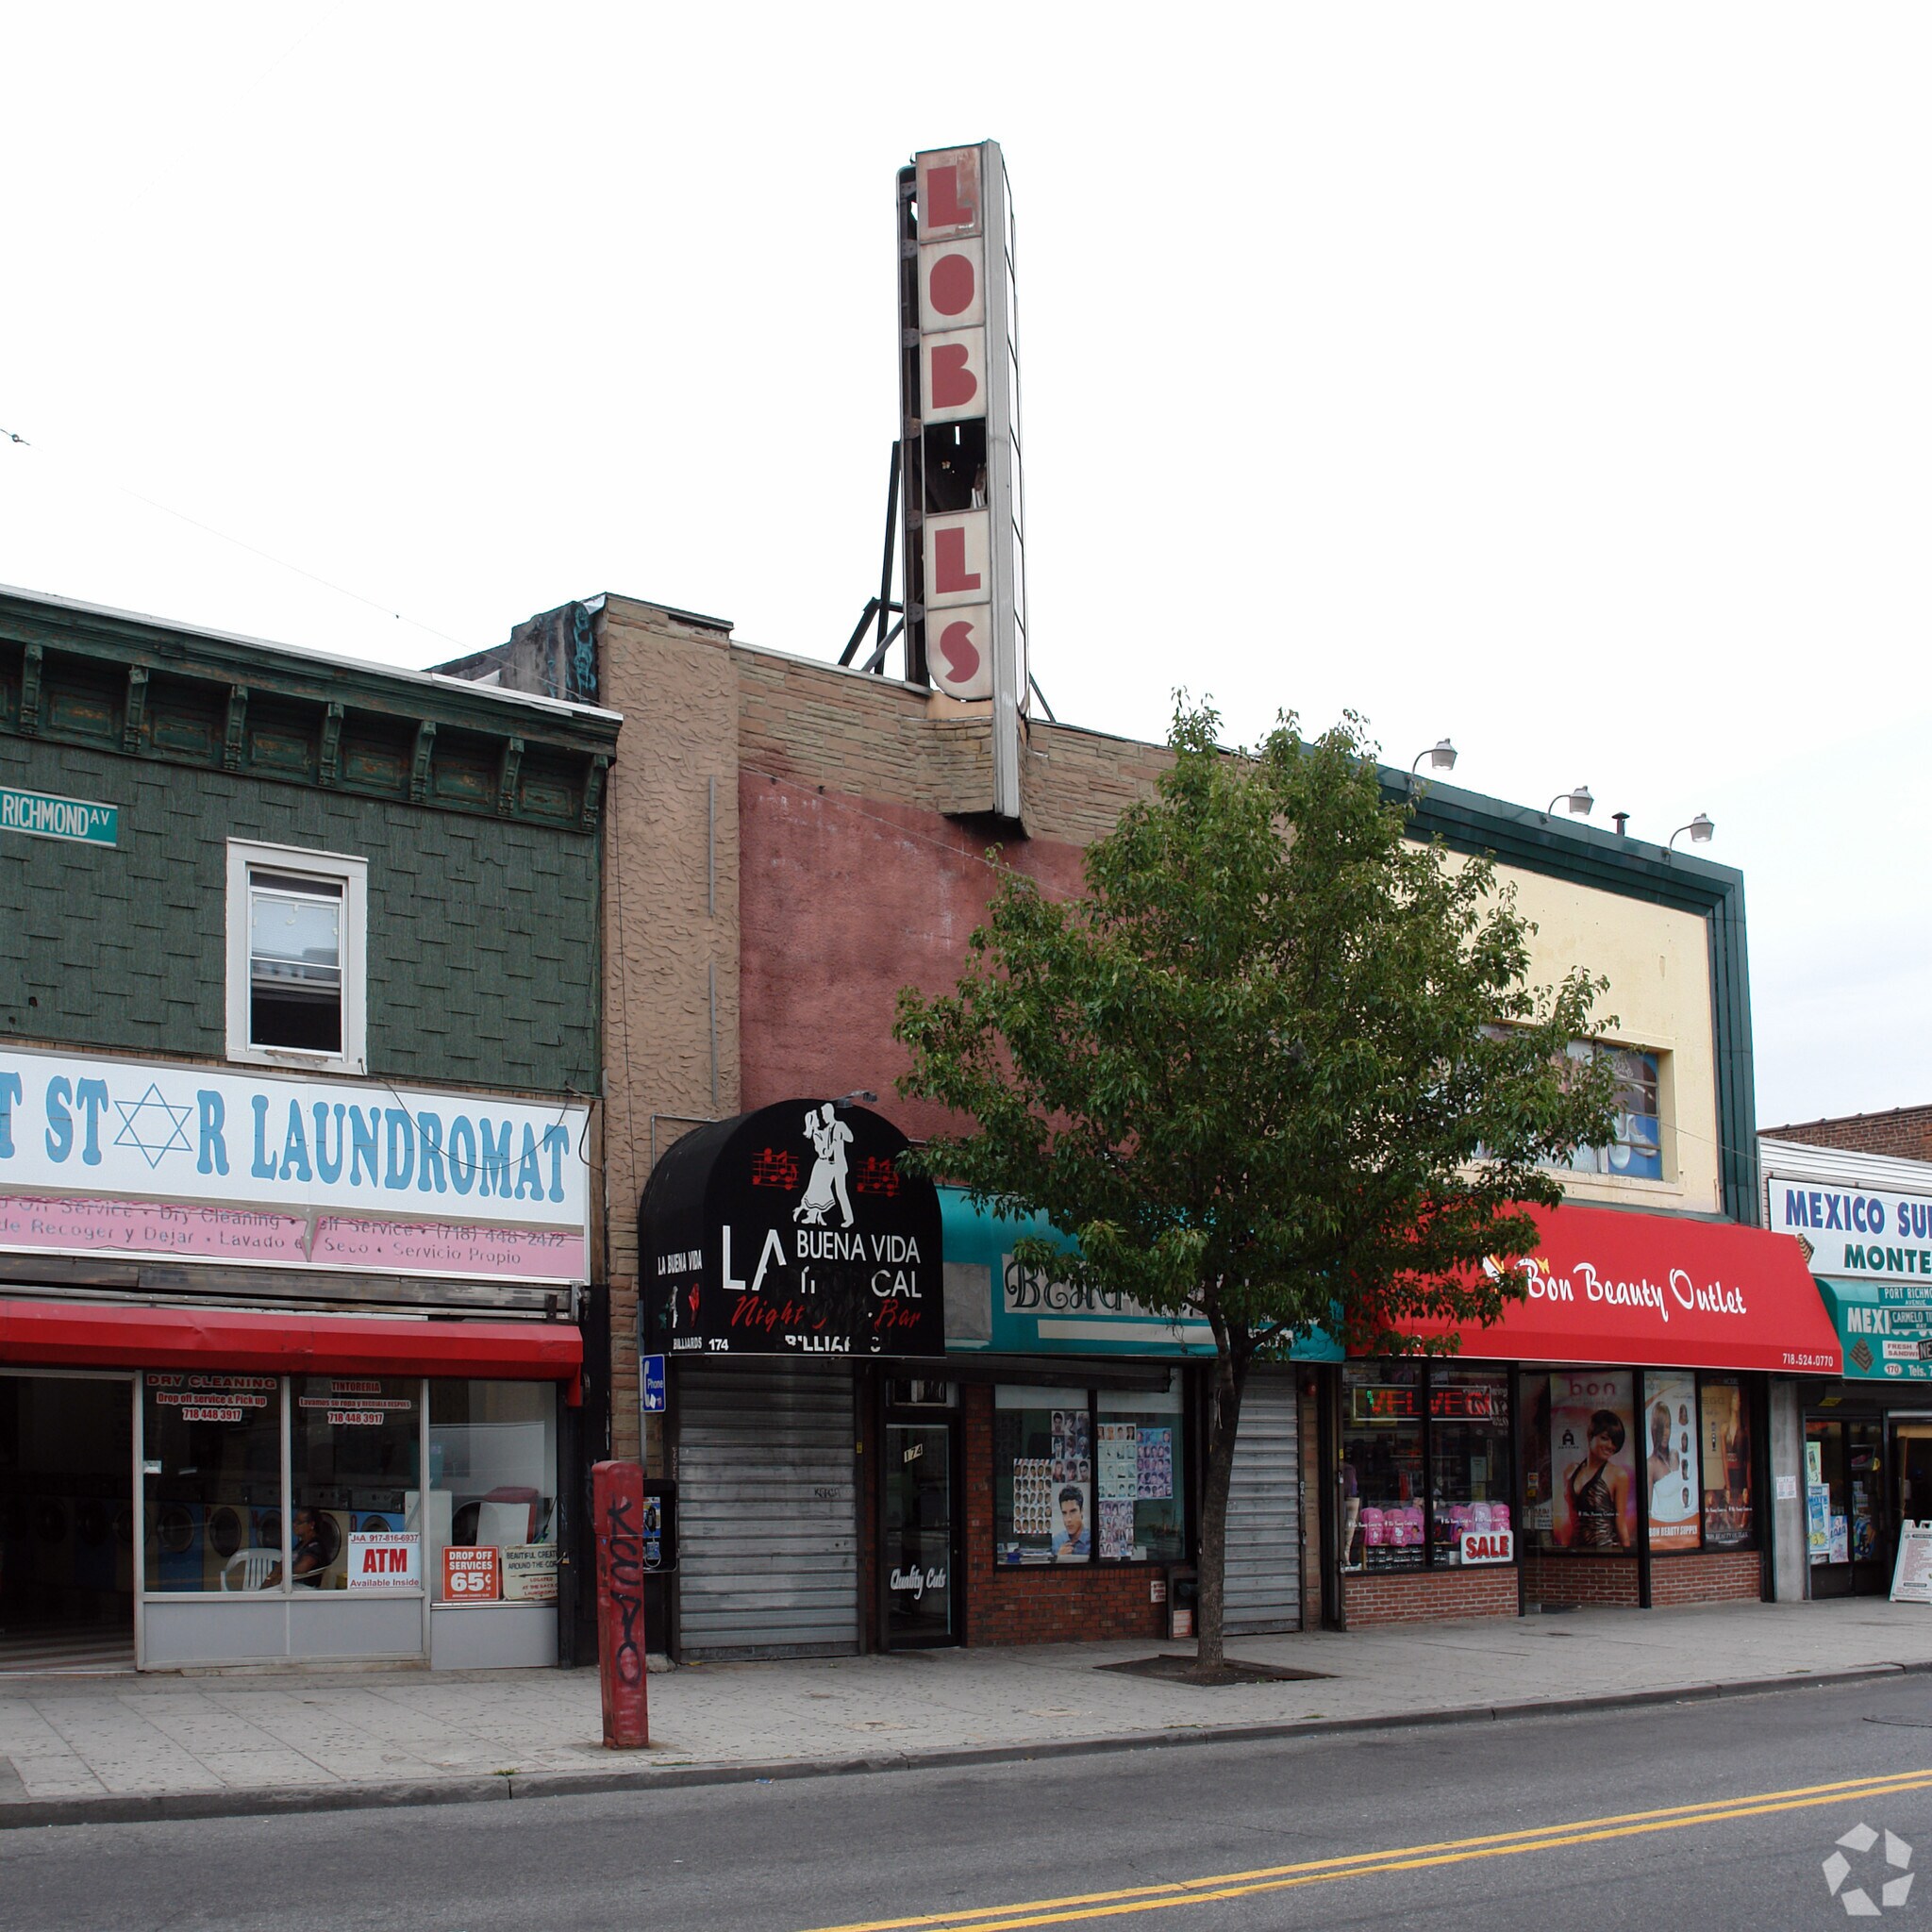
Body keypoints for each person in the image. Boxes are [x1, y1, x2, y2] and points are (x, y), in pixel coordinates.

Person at [1561, 1410, 1633, 1549]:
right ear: (1590, 1435)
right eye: (1605, 1438)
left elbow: (1620, 1522)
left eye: (1615, 1442)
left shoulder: (1618, 1475)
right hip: (1574, 1550)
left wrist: (1628, 1555)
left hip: (1605, 1550)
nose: (1610, 1446)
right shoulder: (1570, 1472)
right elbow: (1571, 1519)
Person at [1051, 1486, 1090, 1559]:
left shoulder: (1092, 1540)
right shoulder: (1056, 1542)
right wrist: (1058, 1558)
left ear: (1081, 1511)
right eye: (1064, 1513)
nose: (1068, 1519)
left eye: (1073, 1511)